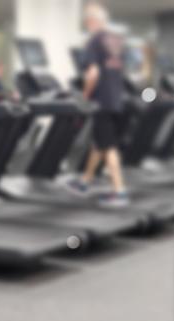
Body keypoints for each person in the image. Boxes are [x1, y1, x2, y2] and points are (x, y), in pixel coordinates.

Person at [69, 2, 130, 207]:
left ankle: (119, 191)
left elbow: (93, 72)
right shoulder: (115, 40)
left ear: (92, 21)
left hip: (101, 100)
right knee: (100, 141)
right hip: (116, 99)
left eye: (87, 22)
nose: (87, 25)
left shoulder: (94, 40)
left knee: (109, 145)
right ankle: (85, 181)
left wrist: (85, 95)